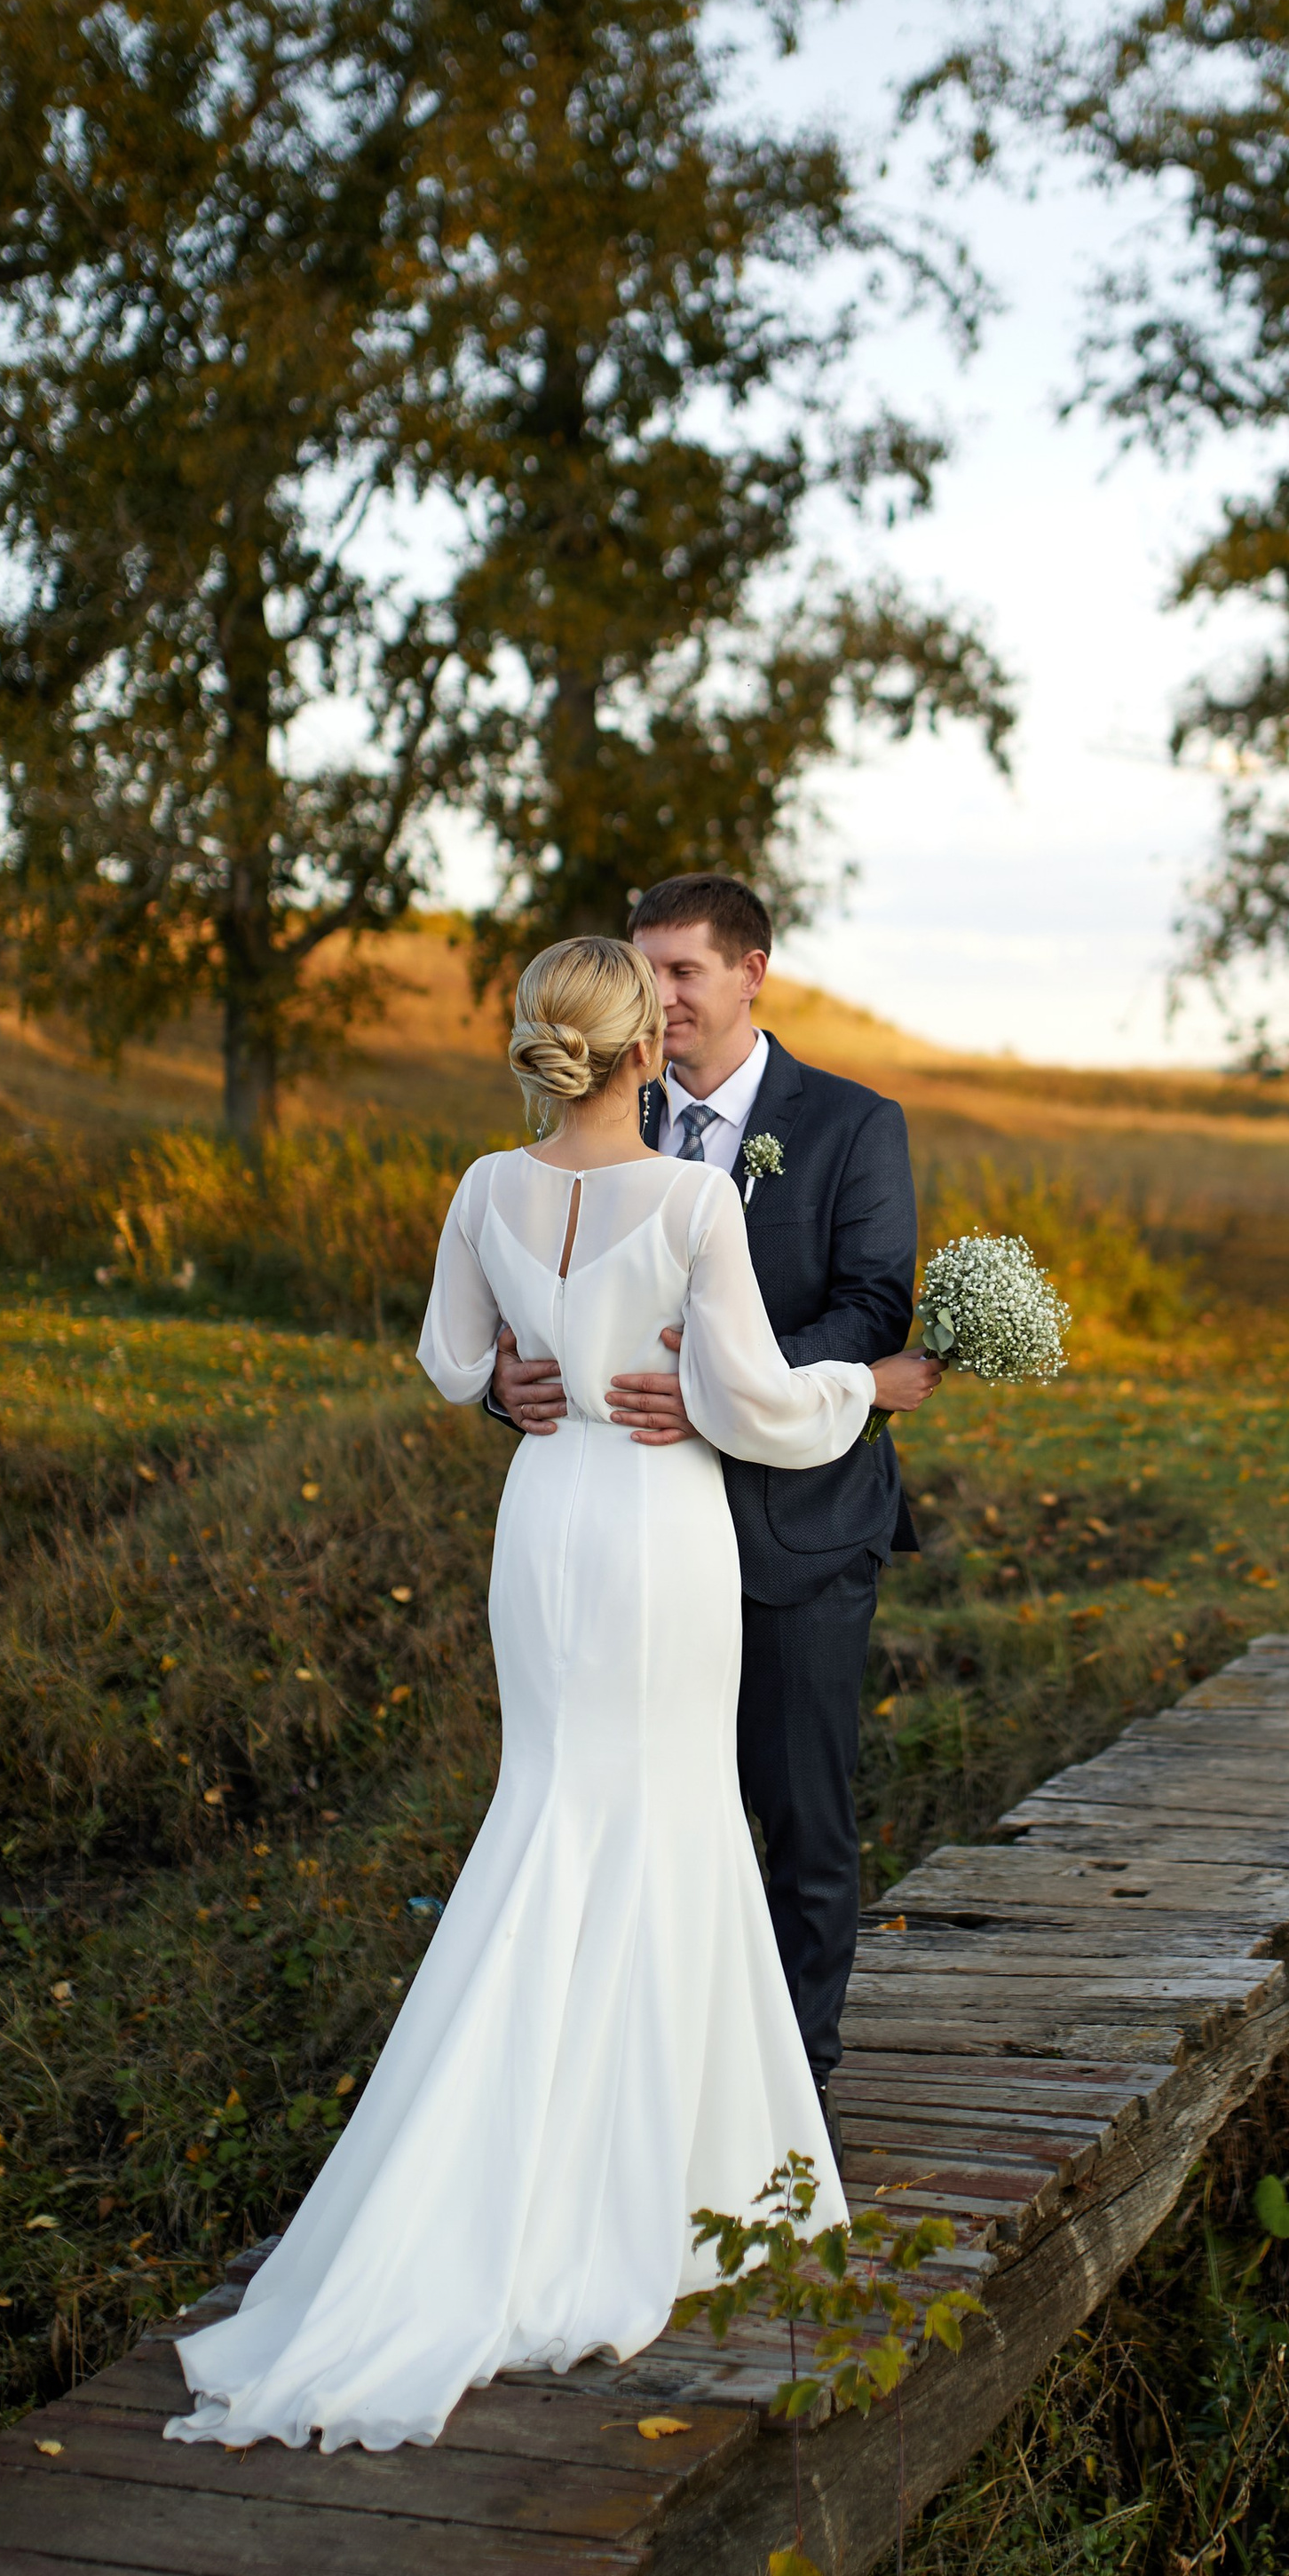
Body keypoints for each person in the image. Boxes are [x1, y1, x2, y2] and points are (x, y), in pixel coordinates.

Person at [163, 936, 941, 2455]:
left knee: (552, 1811)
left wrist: (518, 1381)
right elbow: (753, 1405)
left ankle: (506, 2154)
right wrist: (873, 1386)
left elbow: (450, 1355)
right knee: (666, 1815)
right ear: (646, 1047)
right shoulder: (695, 1201)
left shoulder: (483, 1186)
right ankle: (662, 2176)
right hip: (656, 1524)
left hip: (545, 1517)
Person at [487, 874, 932, 2159]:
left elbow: (872, 1307)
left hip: (796, 1530)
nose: (662, 997)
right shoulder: (586, 1120)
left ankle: (790, 2103)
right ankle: (637, 2086)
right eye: (646, 972)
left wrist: (722, 1387)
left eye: (684, 970)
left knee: (798, 1819)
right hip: (628, 1539)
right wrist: (504, 1383)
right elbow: (530, 1312)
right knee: (634, 1808)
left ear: (752, 974)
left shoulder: (851, 1125)